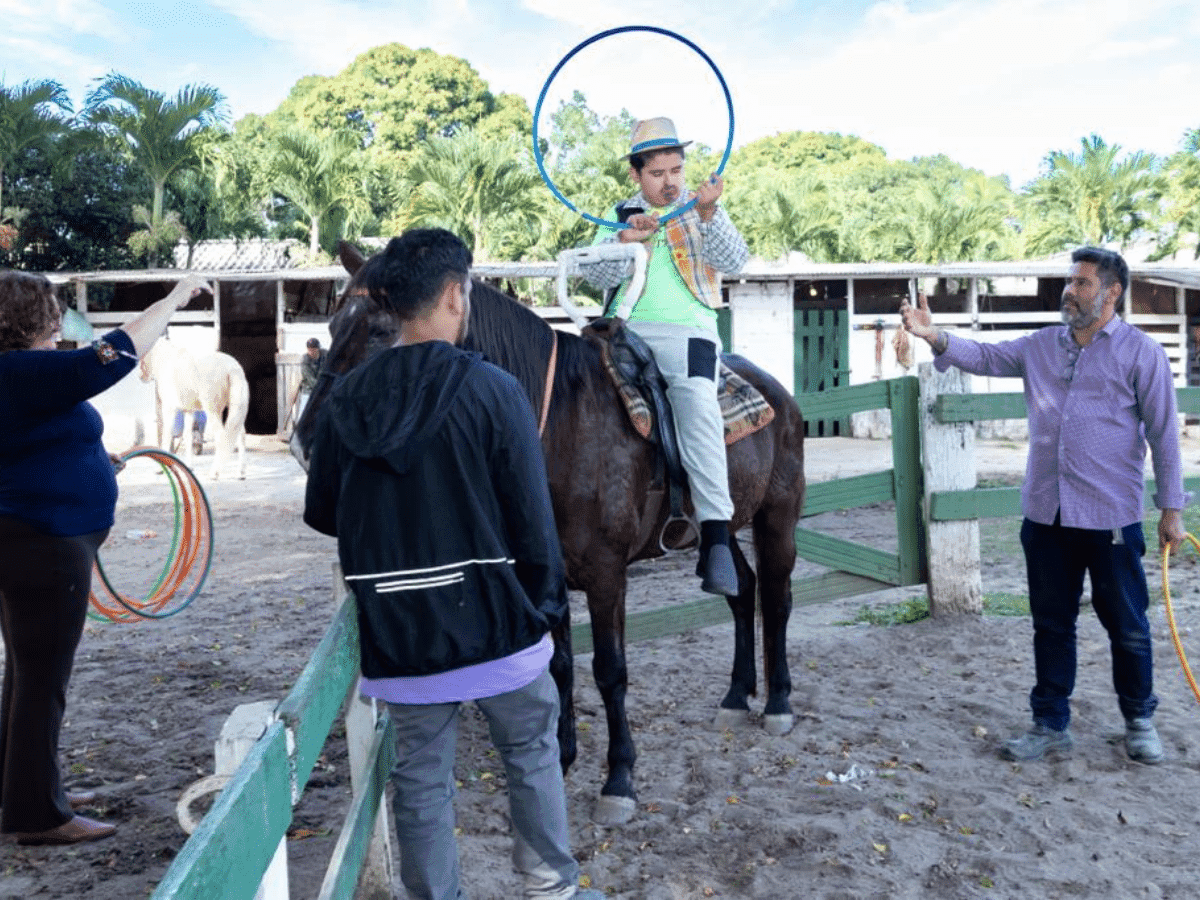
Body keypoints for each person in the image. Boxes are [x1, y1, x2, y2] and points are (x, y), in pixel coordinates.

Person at [303, 229, 603, 900]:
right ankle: (551, 888)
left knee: (420, 781)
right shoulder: (495, 389)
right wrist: (543, 612)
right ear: (453, 295)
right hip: (497, 624)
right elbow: (534, 525)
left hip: (401, 636)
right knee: (530, 755)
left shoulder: (346, 399)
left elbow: (323, 513)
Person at [900, 247, 1186, 764]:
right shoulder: (1041, 345)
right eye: (1069, 281)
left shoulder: (1141, 353)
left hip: (1111, 516)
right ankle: (1050, 724)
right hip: (1046, 514)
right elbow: (986, 356)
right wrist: (934, 336)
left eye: (1081, 282)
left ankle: (1139, 720)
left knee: (1127, 624)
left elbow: (1164, 434)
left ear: (1112, 292)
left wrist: (1171, 509)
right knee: (1051, 624)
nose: (1069, 290)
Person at [0, 270, 209, 845]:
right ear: (31, 320)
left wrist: (91, 458)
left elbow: (31, 441)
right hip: (45, 542)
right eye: (50, 315)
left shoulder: (21, 377)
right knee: (43, 676)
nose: (58, 325)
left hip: (31, 536)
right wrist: (174, 298)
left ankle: (21, 790)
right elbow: (117, 351)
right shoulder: (24, 370)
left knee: (27, 670)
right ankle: (39, 815)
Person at [580, 116, 750, 597]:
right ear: (636, 174)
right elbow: (593, 277)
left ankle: (715, 535)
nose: (669, 181)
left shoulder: (702, 210)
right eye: (657, 173)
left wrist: (711, 213)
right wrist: (624, 242)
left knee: (696, 401)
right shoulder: (617, 217)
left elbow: (735, 261)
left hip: (688, 330)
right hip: (621, 329)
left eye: (675, 170)